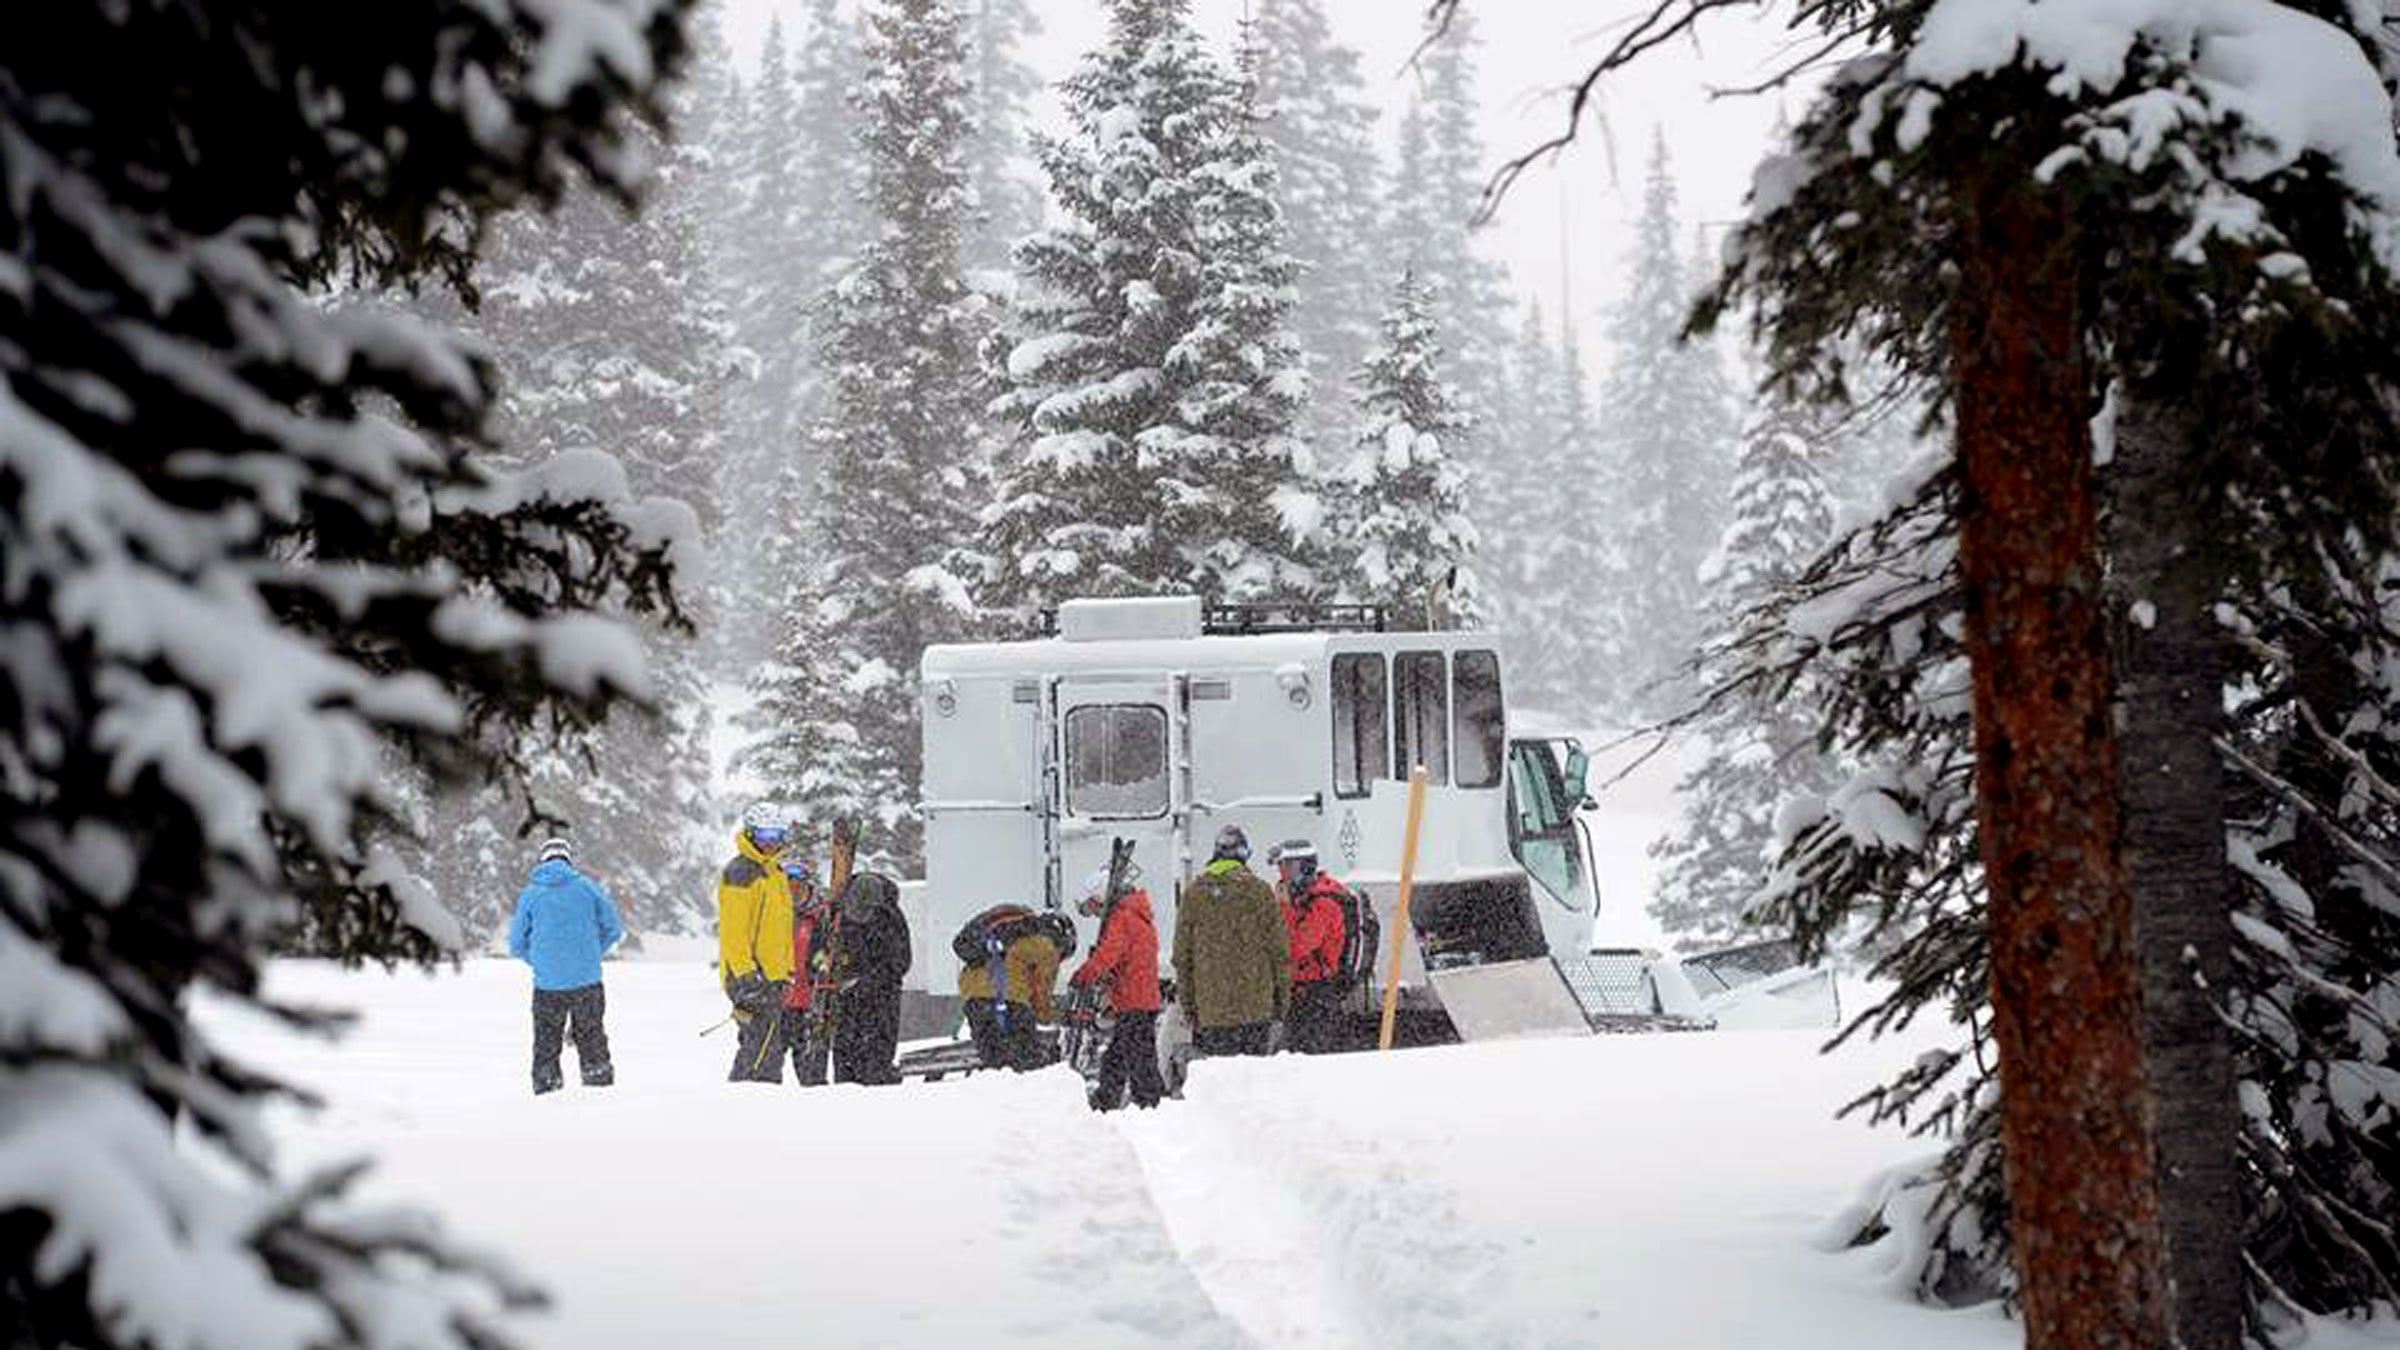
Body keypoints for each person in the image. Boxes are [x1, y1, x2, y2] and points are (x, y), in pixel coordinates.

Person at [506, 837, 624, 1095]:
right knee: (592, 1039)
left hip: (548, 985)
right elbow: (614, 928)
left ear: (543, 860)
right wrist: (592, 953)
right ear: (568, 859)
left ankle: (548, 1097)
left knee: (546, 1045)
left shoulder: (531, 895)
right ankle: (600, 1093)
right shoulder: (588, 888)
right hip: (587, 981)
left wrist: (540, 961)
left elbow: (516, 944)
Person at [1172, 825, 1289, 1058]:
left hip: (1211, 1012)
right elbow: (1279, 952)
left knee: (1218, 1078)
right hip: (1256, 1010)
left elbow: (1182, 957)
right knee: (1252, 1078)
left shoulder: (1194, 894)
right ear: (1244, 855)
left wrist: (1189, 1006)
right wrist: (1281, 1004)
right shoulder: (1260, 891)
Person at [1068, 866, 1165, 1111]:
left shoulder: (1123, 918)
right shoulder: (1136, 914)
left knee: (1132, 1058)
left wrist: (1085, 975)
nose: (1098, 914)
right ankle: (1126, 1101)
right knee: (1126, 1055)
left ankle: (1144, 1104)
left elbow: (1108, 954)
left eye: (1095, 906)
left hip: (1134, 1000)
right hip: (1141, 997)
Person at [718, 802, 797, 1083]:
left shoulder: (774, 873)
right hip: (750, 977)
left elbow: (780, 929)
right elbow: (733, 932)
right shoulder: (742, 873)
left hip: (773, 977)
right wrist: (747, 974)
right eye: (764, 836)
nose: (770, 843)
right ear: (751, 835)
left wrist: (787, 971)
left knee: (769, 1048)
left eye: (775, 836)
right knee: (761, 1048)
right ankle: (746, 1096)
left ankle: (762, 1098)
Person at [958, 910, 1073, 1071]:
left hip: (974, 1000)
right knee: (1027, 1065)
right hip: (1011, 1002)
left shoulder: (1010, 932)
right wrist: (1062, 1016)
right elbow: (1041, 1000)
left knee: (994, 1064)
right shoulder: (1047, 948)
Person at [830, 872, 911, 1085]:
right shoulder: (840, 916)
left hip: (881, 998)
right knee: (846, 1055)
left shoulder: (890, 918)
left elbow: (900, 963)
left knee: (876, 1054)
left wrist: (865, 981)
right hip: (848, 999)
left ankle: (876, 1086)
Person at [1271, 839, 1349, 1054]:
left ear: (1303, 867)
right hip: (1304, 990)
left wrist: (1284, 906)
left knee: (1307, 1055)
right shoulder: (1307, 897)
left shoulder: (1324, 903)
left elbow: (1294, 947)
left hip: (1316, 993)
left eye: (1286, 866)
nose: (1282, 874)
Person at [780, 855, 838, 1087]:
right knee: (767, 1068)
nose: (793, 892)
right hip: (780, 1002)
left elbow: (829, 950)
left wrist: (823, 962)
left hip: (812, 1003)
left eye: (798, 887)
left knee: (811, 1072)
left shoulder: (822, 916)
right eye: (788, 887)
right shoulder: (774, 915)